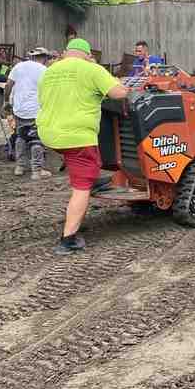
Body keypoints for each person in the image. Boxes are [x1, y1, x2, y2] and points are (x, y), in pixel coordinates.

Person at [37, 38, 129, 255]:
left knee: (81, 166)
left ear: (66, 52)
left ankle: (92, 178)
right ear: (88, 54)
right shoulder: (91, 69)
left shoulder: (50, 71)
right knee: (81, 187)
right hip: (76, 136)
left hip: (49, 134)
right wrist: (116, 81)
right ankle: (68, 239)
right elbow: (119, 93)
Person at [5, 47, 52, 180]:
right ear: (44, 58)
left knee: (21, 137)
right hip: (35, 110)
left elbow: (8, 85)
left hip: (19, 108)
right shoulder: (44, 70)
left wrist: (5, 101)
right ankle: (37, 170)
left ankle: (19, 167)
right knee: (36, 139)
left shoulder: (18, 67)